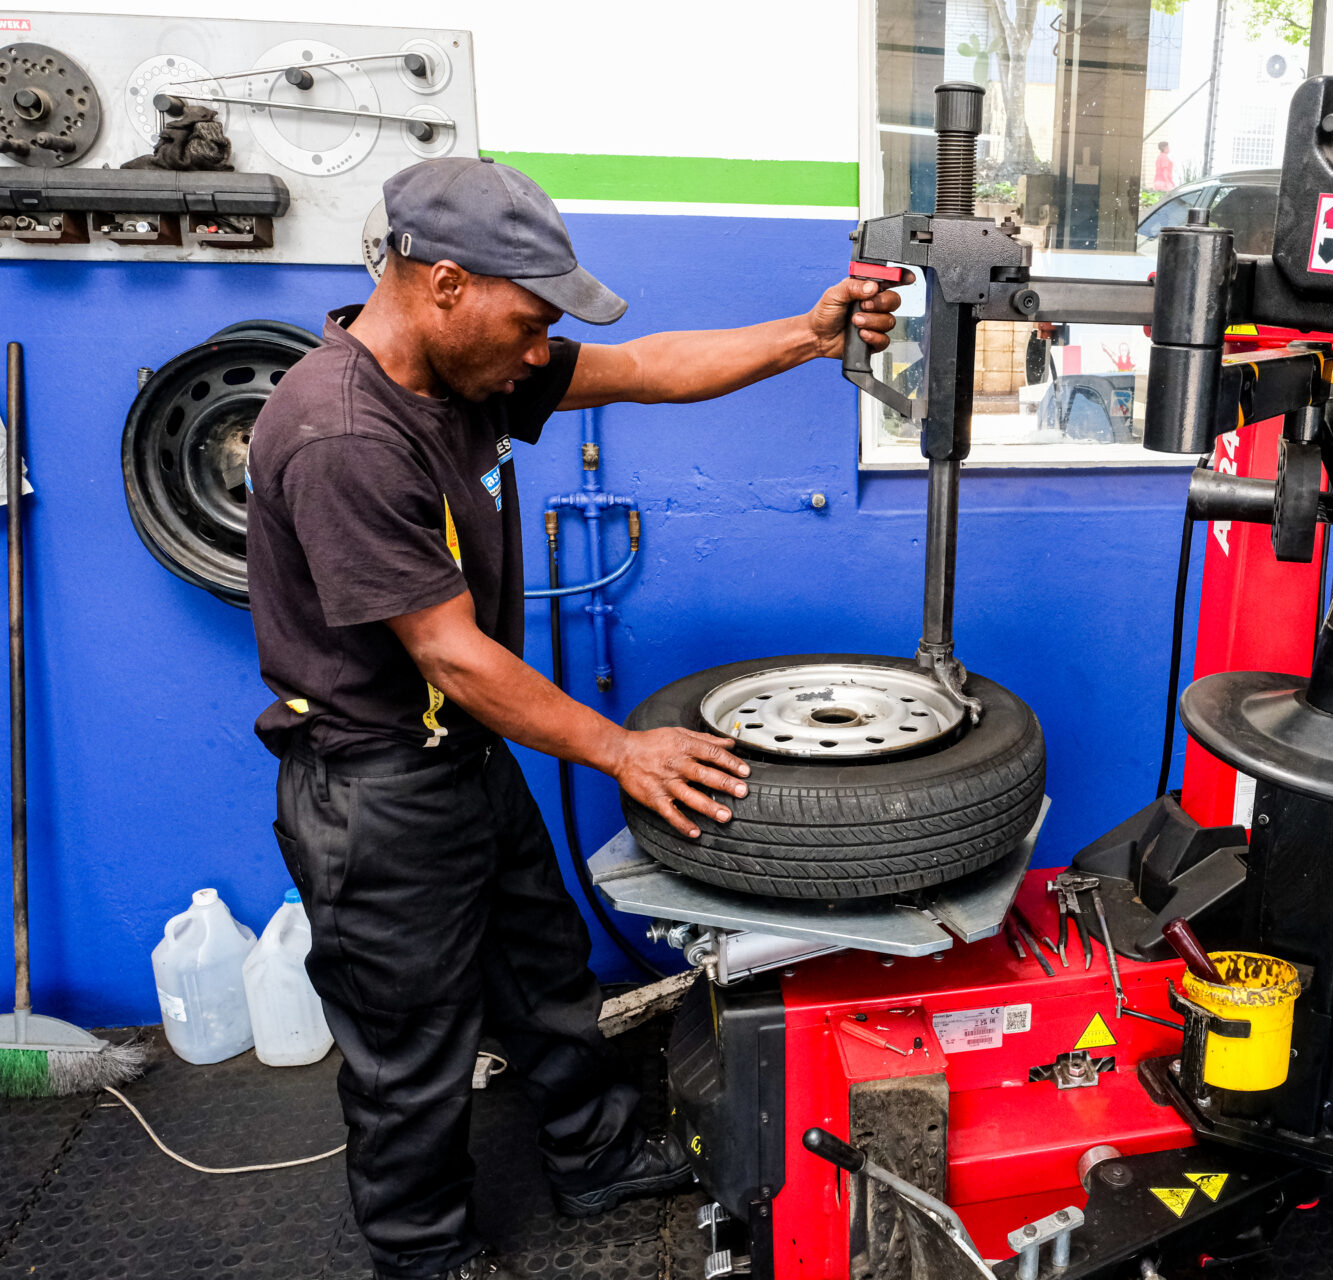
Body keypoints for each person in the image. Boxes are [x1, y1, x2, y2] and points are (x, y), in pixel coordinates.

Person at [244, 157, 908, 1280]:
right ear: (444, 282)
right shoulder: (344, 433)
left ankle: (592, 1154)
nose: (545, 348)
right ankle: (424, 1253)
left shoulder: (469, 369)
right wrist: (618, 749)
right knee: (410, 1051)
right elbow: (450, 650)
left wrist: (810, 332)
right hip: (373, 785)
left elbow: (648, 368)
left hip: (461, 756)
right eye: (534, 319)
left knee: (545, 974)